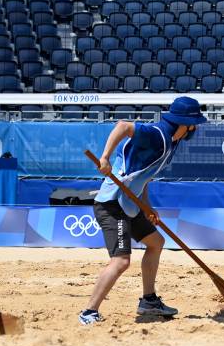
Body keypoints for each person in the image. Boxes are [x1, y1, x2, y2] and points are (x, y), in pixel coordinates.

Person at [81, 96, 207, 324]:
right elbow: (123, 126)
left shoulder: (172, 141)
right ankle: (89, 311)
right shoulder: (156, 135)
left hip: (130, 203)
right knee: (121, 261)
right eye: (194, 123)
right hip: (112, 204)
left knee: (156, 242)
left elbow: (144, 178)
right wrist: (105, 157)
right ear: (185, 123)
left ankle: (148, 301)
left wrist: (148, 207)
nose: (195, 128)